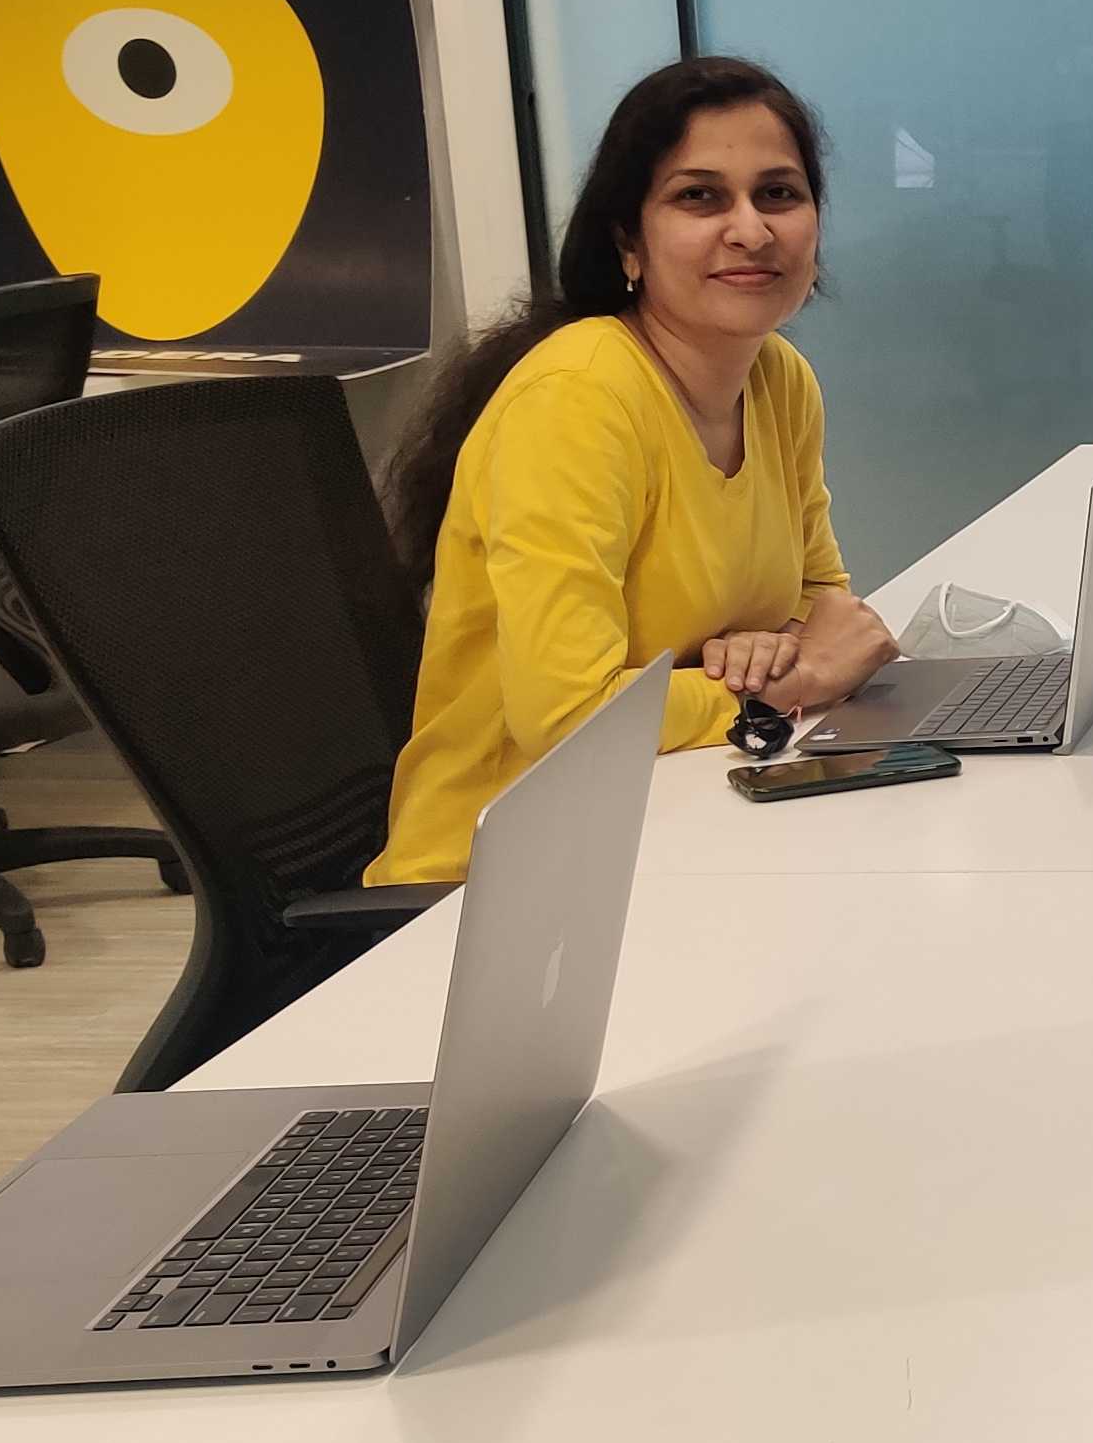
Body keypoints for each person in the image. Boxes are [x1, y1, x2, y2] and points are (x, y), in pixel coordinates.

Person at [371, 57, 898, 883]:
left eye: (779, 194)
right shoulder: (579, 399)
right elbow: (570, 715)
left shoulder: (778, 379)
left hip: (685, 814)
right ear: (628, 239)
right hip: (507, 879)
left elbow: (819, 598)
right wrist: (791, 683)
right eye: (700, 197)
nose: (751, 230)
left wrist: (778, 651)